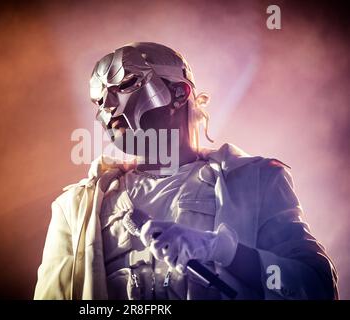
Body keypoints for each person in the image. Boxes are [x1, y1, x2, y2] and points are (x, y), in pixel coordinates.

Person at [34, 42, 338, 300]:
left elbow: (317, 286)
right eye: (98, 99)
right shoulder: (76, 208)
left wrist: (223, 251)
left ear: (179, 94)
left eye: (126, 84)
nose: (107, 106)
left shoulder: (256, 180)